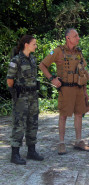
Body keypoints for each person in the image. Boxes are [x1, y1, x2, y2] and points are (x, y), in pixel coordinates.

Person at [39, 28, 89, 155]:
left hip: (79, 88)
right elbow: (42, 65)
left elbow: (83, 72)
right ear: (68, 38)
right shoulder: (57, 51)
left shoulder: (79, 52)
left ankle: (79, 141)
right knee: (63, 116)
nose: (78, 38)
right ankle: (61, 143)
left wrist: (85, 92)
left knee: (79, 114)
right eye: (76, 36)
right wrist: (52, 79)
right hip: (66, 89)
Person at [7, 35, 44, 165]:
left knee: (33, 123)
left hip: (33, 96)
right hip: (21, 98)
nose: (36, 46)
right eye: (34, 44)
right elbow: (9, 80)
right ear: (26, 44)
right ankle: (15, 154)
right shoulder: (16, 60)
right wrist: (16, 92)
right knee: (19, 124)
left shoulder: (32, 59)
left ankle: (31, 151)